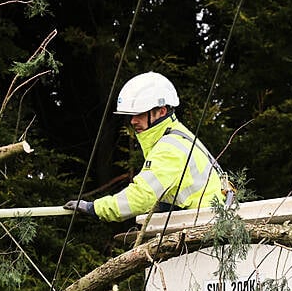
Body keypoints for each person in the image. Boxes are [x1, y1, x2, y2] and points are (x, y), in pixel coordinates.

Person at [64, 71, 228, 221]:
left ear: (162, 111)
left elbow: (142, 196)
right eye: (131, 115)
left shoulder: (169, 147)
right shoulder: (177, 136)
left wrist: (94, 208)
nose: (133, 121)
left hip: (207, 223)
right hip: (207, 218)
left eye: (140, 114)